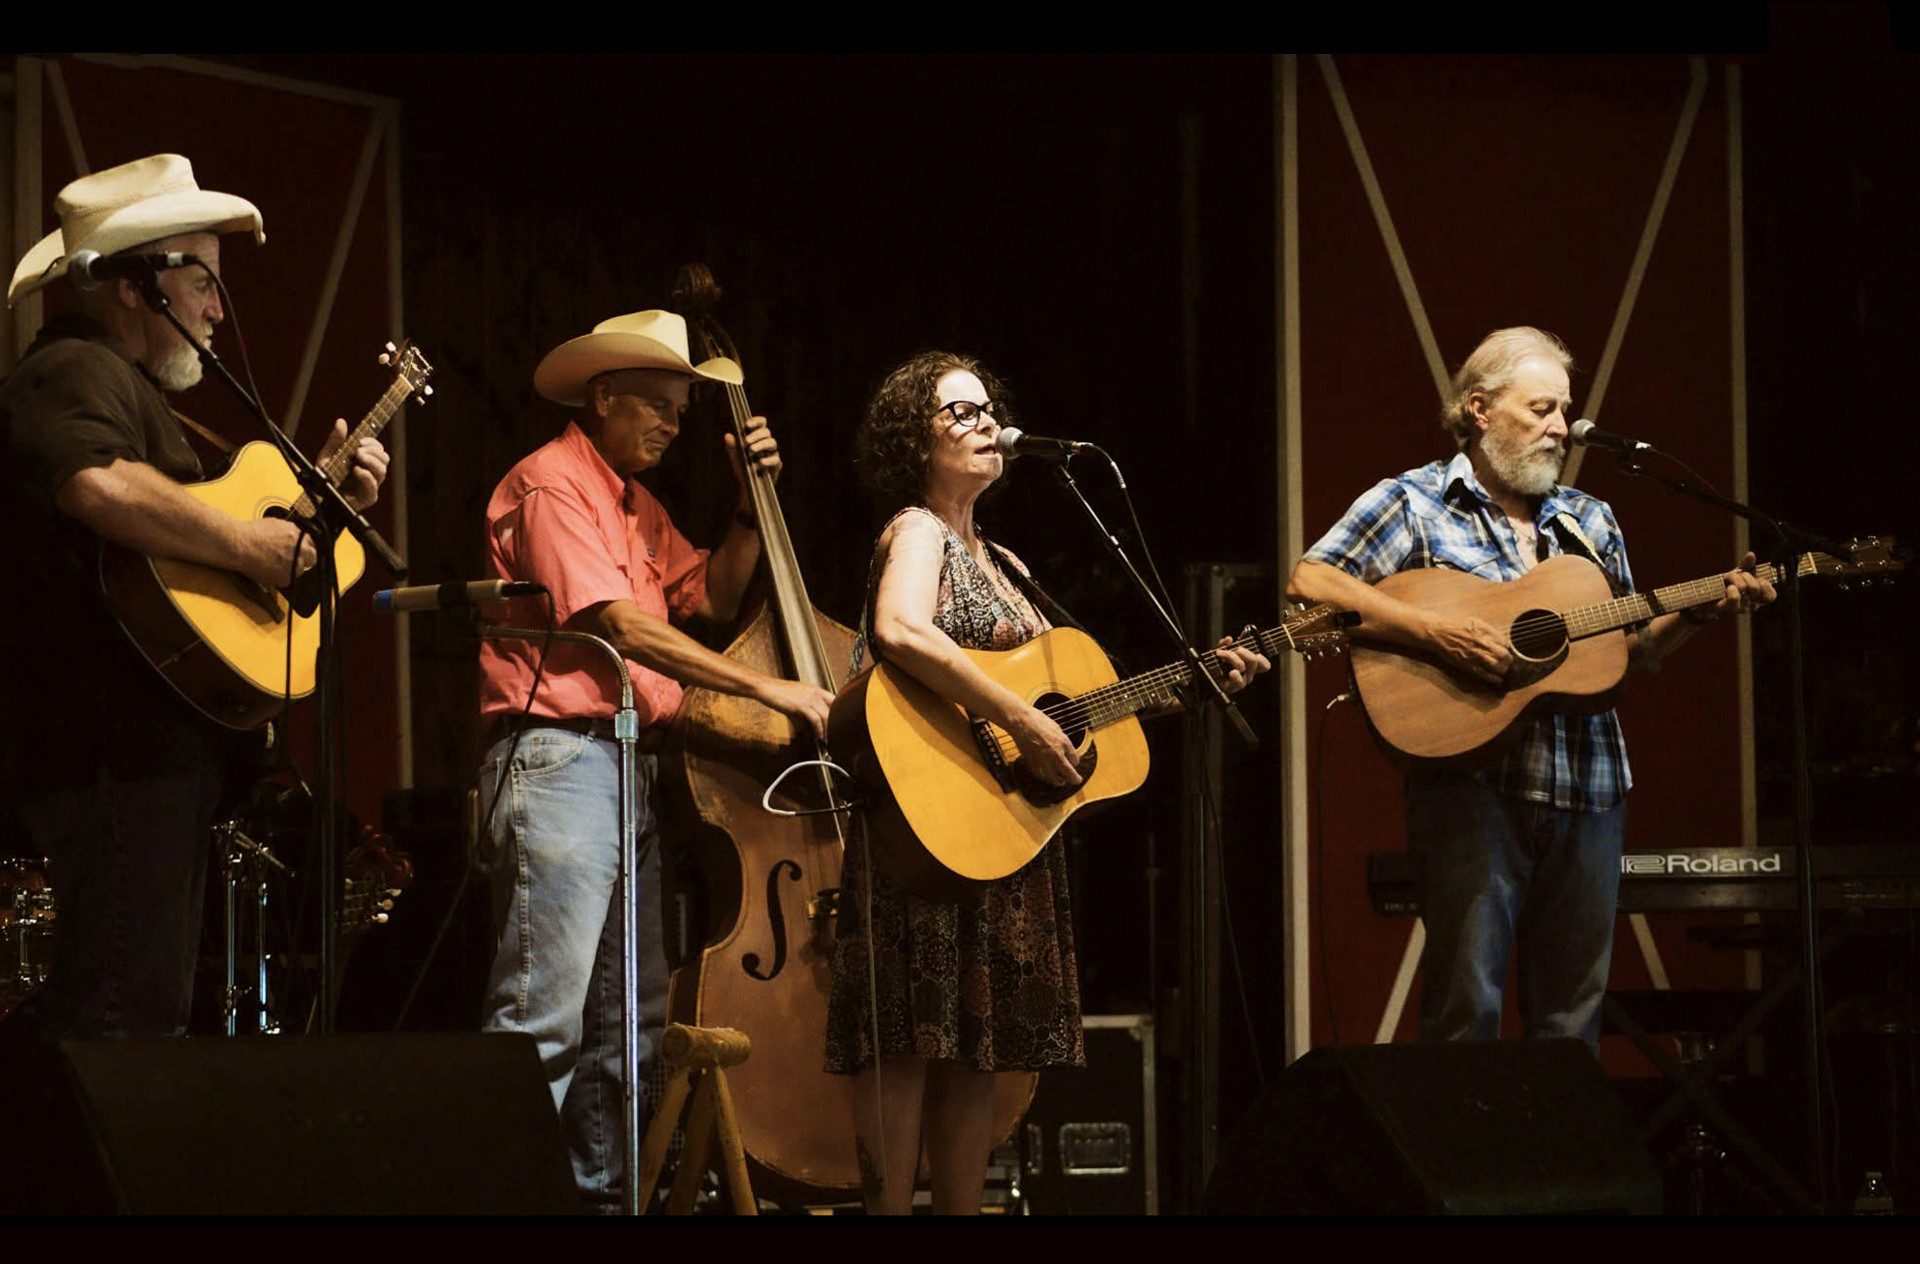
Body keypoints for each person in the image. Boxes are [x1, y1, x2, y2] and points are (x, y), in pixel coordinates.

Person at [824, 350, 1268, 1213]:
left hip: (1000, 833)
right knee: (910, 1043)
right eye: (959, 412)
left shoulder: (1008, 562)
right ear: (912, 439)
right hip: (928, 821)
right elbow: (899, 631)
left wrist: (1190, 684)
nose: (987, 422)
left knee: (973, 1054)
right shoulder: (918, 530)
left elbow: (1074, 705)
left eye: (989, 407)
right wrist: (1022, 721)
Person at [1287, 326, 1774, 1045]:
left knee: (1573, 1021)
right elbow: (1311, 585)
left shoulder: (1589, 521)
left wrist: (1699, 613)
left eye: (1566, 412)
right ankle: (1466, 1160)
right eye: (1542, 409)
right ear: (1480, 409)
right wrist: (1436, 633)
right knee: (1465, 1012)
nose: (1562, 429)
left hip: (1592, 789)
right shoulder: (1414, 502)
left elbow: (1630, 650)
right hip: (1473, 788)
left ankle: (1562, 1160)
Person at [0, 154, 388, 1040]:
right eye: (204, 280)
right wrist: (253, 543)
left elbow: (177, 559)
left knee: (137, 1002)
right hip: (107, 750)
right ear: (136, 285)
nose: (220, 308)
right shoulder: (70, 371)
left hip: (146, 754)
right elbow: (95, 485)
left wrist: (320, 514)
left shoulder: (129, 393)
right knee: (118, 1012)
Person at [476, 309, 834, 1211]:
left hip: (624, 767)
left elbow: (708, 593)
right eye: (661, 408)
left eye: (682, 411)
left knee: (626, 1031)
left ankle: (602, 1209)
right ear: (604, 397)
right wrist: (767, 691)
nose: (676, 427)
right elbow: (621, 625)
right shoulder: (554, 484)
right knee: (543, 1023)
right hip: (560, 759)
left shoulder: (638, 505)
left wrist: (750, 510)